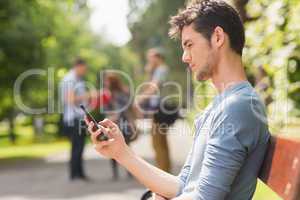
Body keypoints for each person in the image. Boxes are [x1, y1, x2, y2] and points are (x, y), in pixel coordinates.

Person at [86, 0, 270, 199]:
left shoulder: (237, 107)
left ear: (217, 37)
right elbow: (184, 185)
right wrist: (121, 152)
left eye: (189, 45)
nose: (184, 57)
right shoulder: (220, 106)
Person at [138, 48, 171, 172]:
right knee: (160, 141)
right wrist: (149, 72)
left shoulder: (161, 69)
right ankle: (165, 170)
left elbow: (153, 88)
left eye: (150, 58)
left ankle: (163, 172)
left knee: (157, 142)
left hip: (160, 109)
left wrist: (138, 100)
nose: (149, 60)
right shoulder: (159, 70)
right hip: (160, 109)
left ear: (158, 58)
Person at [60, 58, 94, 181]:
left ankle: (79, 173)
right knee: (77, 147)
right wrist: (89, 95)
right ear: (78, 66)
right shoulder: (70, 79)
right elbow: (69, 99)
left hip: (78, 117)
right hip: (73, 118)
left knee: (80, 147)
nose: (85, 71)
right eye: (84, 69)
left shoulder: (77, 79)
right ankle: (75, 174)